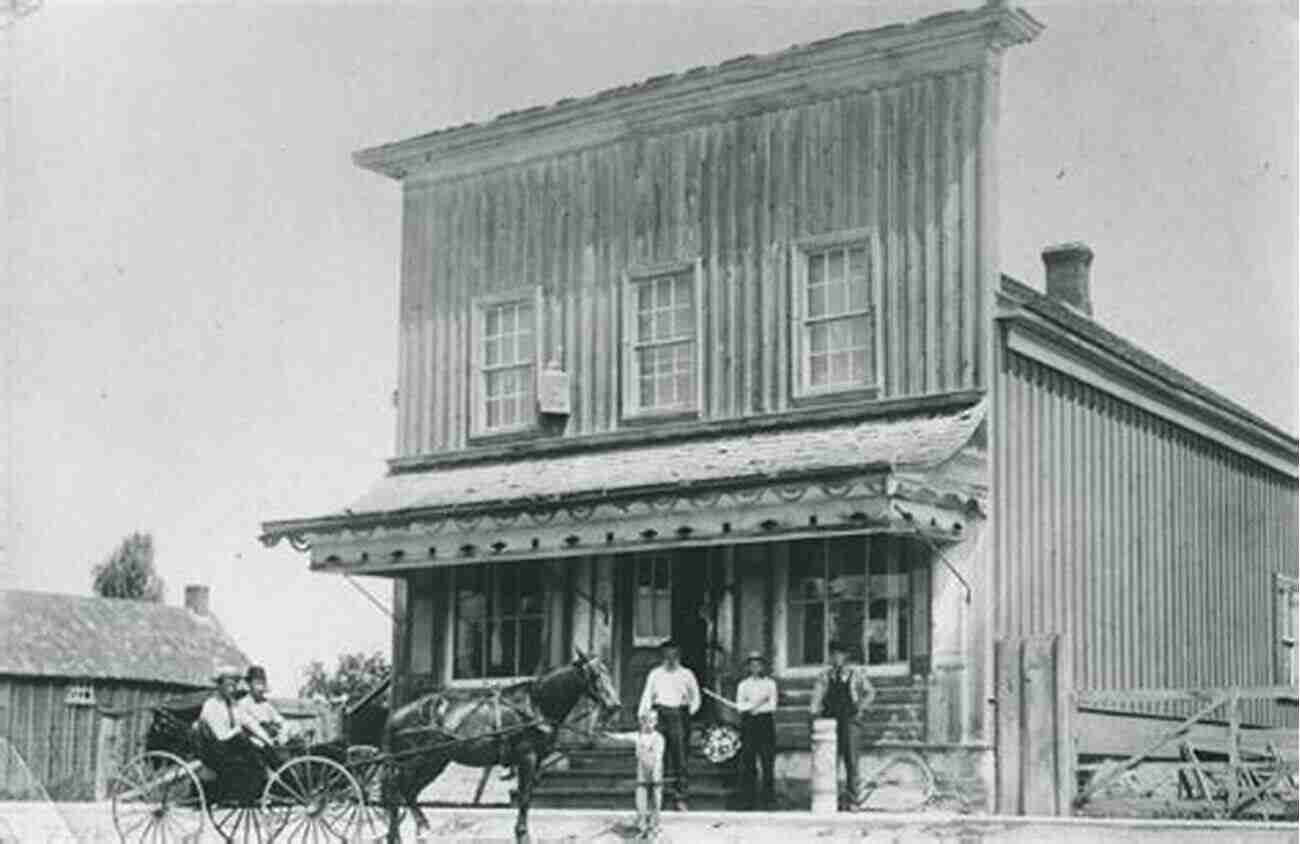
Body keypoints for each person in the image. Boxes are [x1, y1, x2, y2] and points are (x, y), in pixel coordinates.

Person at [808, 640, 876, 811]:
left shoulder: (855, 674)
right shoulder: (825, 676)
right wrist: (814, 713)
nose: (836, 658)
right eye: (833, 654)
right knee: (830, 761)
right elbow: (816, 698)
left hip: (850, 721)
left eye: (840, 654)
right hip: (830, 722)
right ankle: (832, 799)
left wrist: (860, 708)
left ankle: (853, 800)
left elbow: (870, 692)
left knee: (851, 761)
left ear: (846, 657)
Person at [637, 639, 700, 811]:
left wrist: (687, 713)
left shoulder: (687, 674)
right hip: (659, 714)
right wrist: (644, 717)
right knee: (658, 757)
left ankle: (680, 797)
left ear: (678, 655)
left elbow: (696, 697)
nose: (670, 658)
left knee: (680, 756)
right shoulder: (655, 674)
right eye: (667, 655)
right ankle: (658, 796)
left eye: (674, 654)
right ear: (662, 656)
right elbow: (647, 696)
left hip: (679, 714)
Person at [198, 665, 276, 800]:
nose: (232, 689)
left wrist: (266, 740)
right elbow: (220, 735)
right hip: (215, 750)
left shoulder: (234, 704)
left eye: (234, 685)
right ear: (219, 685)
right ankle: (265, 773)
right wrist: (237, 732)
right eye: (229, 685)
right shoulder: (211, 705)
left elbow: (249, 722)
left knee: (258, 743)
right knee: (242, 738)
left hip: (230, 748)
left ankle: (268, 778)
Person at [607, 710, 666, 837]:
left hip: (655, 769)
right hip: (642, 770)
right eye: (646, 721)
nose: (648, 724)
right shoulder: (637, 736)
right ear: (641, 722)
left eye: (652, 721)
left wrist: (655, 773)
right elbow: (622, 737)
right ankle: (642, 823)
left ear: (656, 722)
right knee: (641, 797)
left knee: (656, 797)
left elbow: (659, 756)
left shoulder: (659, 738)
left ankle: (655, 824)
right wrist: (609, 735)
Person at [734, 651, 777, 810]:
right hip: (749, 724)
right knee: (748, 762)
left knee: (767, 762)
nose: (755, 667)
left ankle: (768, 799)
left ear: (762, 666)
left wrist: (751, 706)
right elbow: (740, 707)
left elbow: (772, 705)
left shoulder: (770, 684)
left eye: (758, 664)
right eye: (752, 664)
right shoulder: (743, 685)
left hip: (765, 723)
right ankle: (748, 800)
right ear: (748, 667)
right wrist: (756, 704)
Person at [237, 665, 288, 749]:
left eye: (262, 683)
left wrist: (282, 736)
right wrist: (270, 742)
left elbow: (280, 720)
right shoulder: (242, 704)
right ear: (249, 684)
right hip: (254, 744)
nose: (260, 688)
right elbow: (252, 726)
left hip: (271, 744)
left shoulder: (265, 704)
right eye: (257, 683)